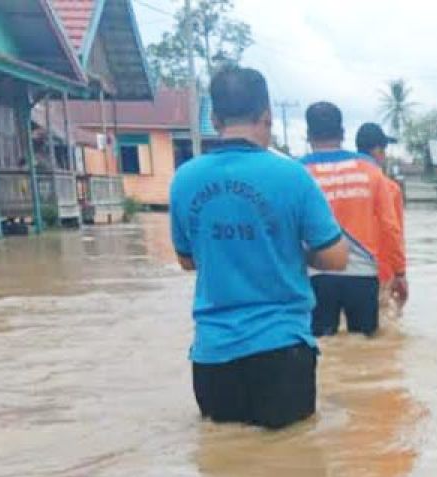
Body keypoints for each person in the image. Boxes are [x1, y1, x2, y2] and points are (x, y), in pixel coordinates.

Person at [170, 67, 348, 430]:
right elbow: (336, 257)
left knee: (225, 475)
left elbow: (186, 261)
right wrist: (291, 250)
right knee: (294, 472)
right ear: (266, 115)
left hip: (212, 355)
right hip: (282, 350)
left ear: (215, 118)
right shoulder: (293, 176)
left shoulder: (184, 179)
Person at [301, 103, 407, 337]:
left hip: (316, 276)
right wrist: (399, 273)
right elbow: (391, 228)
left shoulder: (297, 173)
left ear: (308, 136)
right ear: (342, 134)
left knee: (323, 349)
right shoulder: (370, 171)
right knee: (367, 351)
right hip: (363, 276)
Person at [355, 121, 409, 309]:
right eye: (384, 150)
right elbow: (394, 232)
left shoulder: (343, 186)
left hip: (346, 273)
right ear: (377, 151)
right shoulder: (390, 188)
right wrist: (400, 274)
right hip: (381, 273)